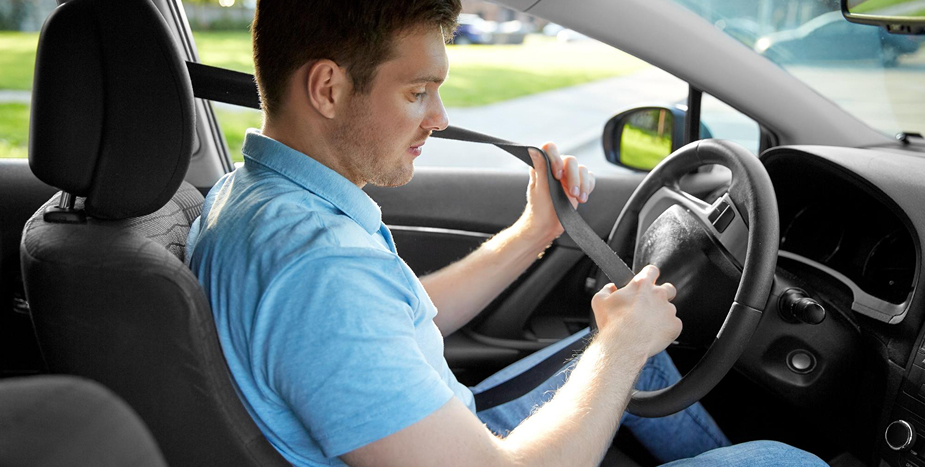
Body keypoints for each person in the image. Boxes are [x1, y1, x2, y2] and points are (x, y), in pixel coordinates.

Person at [185, 1, 828, 466]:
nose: (439, 118)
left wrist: (533, 231)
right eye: (417, 92)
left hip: (435, 431)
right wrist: (619, 346)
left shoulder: (254, 195)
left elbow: (411, 319)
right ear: (327, 88)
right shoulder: (318, 272)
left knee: (647, 362)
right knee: (786, 461)